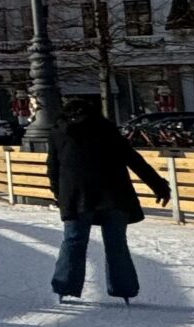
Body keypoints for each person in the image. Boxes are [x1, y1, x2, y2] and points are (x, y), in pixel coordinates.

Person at [45, 96, 171, 305]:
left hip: (77, 196)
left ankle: (64, 286)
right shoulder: (106, 129)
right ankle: (124, 289)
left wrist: (60, 194)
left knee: (73, 241)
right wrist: (158, 186)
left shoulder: (58, 131)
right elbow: (132, 158)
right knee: (116, 244)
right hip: (113, 194)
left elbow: (53, 167)